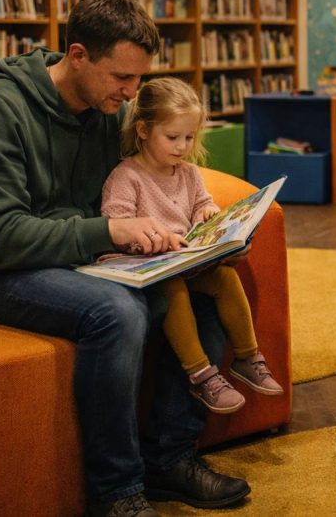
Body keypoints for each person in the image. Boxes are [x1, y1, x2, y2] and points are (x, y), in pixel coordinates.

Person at [0, 0, 251, 517]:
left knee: (200, 290)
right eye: (121, 79)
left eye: (139, 80)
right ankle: (118, 493)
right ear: (78, 55)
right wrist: (111, 231)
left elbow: (141, 187)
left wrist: (204, 236)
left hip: (77, 260)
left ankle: (169, 460)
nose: (132, 94)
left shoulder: (111, 112)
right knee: (117, 312)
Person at [101, 77, 284, 416]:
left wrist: (210, 214)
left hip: (186, 262)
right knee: (173, 290)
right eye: (172, 137)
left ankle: (248, 358)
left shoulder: (187, 173)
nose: (182, 146)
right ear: (142, 130)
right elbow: (117, 225)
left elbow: (202, 203)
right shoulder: (126, 177)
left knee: (226, 279)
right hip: (150, 272)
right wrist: (153, 241)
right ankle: (201, 375)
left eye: (189, 137)